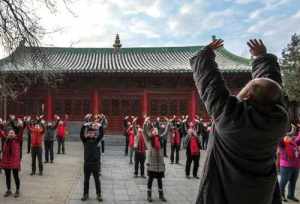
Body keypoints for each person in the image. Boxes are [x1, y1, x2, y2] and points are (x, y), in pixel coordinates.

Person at [190, 38, 288, 204]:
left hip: (222, 193)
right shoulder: (279, 121)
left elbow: (210, 84)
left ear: (248, 95)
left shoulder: (230, 117)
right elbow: (271, 90)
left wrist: (205, 54)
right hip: (260, 194)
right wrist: (262, 58)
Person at [80, 115, 103, 202]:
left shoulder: (96, 141)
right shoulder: (85, 141)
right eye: (89, 133)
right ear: (88, 133)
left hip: (95, 163)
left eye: (92, 133)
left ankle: (99, 194)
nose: (91, 134)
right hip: (87, 163)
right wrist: (85, 125)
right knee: (86, 180)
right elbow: (81, 134)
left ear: (94, 134)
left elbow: (101, 134)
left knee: (97, 180)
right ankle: (85, 194)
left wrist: (99, 126)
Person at [144, 126, 166, 202]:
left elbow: (165, 133)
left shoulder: (160, 138)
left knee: (160, 180)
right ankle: (149, 195)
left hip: (159, 163)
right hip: (152, 162)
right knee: (150, 180)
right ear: (152, 132)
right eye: (154, 130)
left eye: (156, 130)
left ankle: (161, 195)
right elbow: (145, 133)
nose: (156, 131)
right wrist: (145, 123)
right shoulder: (150, 139)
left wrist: (169, 123)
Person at [279, 124, 300, 202]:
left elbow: (299, 139)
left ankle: (290, 195)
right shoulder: (282, 144)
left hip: (296, 165)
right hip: (286, 166)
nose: (289, 137)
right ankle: (281, 195)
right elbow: (279, 138)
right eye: (287, 136)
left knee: (293, 182)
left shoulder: (294, 142)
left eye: (290, 136)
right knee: (283, 182)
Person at [0, 128, 22, 198]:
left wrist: (21, 125)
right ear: (8, 134)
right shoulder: (5, 140)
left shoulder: (17, 140)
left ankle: (17, 190)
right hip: (7, 161)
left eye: (12, 133)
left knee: (16, 176)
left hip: (14, 161)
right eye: (10, 133)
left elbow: (20, 132)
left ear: (15, 134)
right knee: (7, 177)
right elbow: (1, 133)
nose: (11, 134)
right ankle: (8, 190)